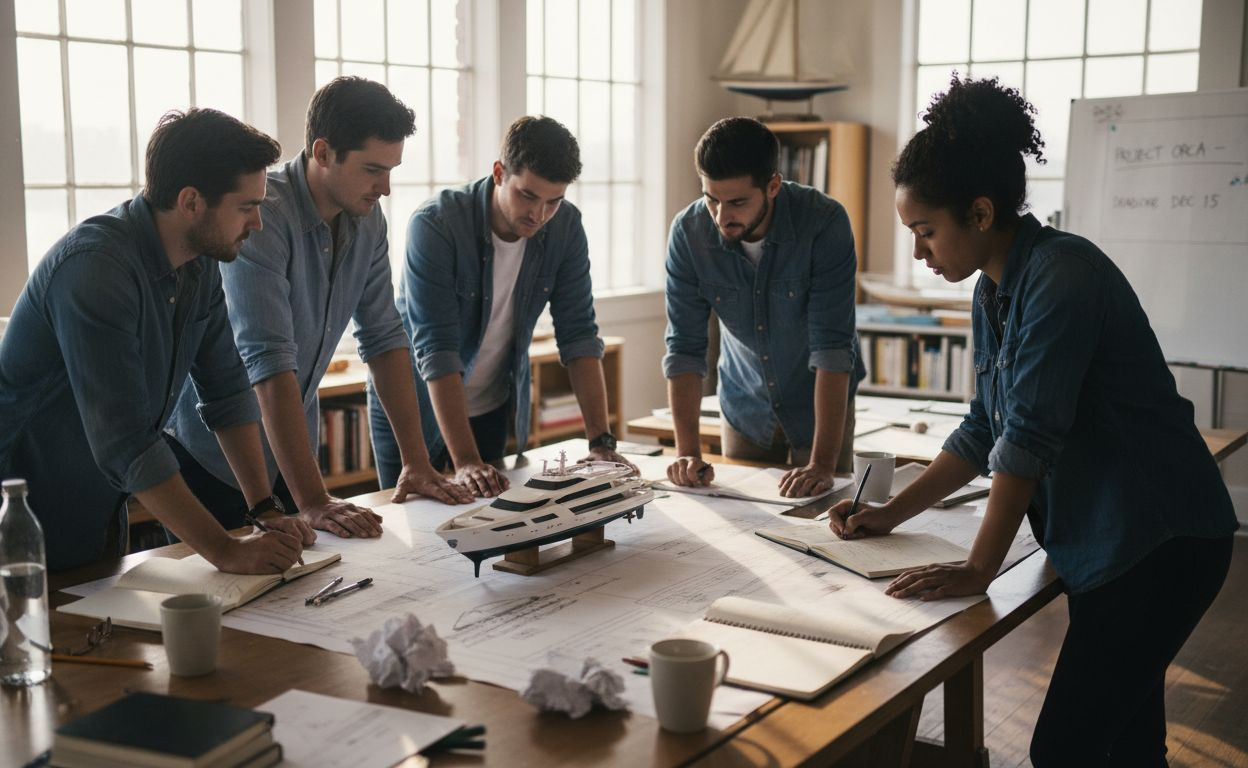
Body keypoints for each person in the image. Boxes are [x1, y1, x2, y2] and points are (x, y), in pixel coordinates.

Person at [825, 74, 1237, 766]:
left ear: (981, 213)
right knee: (1128, 747)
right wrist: (890, 513)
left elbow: (1027, 439)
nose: (919, 252)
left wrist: (979, 567)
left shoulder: (1061, 277)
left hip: (1159, 541)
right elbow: (983, 427)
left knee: (1064, 750)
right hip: (1114, 543)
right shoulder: (993, 288)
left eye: (925, 231)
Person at [0, 109, 315, 597]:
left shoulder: (200, 266)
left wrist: (263, 509)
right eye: (246, 207)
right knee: (25, 646)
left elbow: (227, 392)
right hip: (2, 510)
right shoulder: (95, 268)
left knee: (103, 643)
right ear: (191, 202)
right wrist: (225, 549)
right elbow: (126, 441)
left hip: (94, 506)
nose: (257, 223)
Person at [168, 77, 471, 537]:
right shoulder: (262, 215)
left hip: (292, 457)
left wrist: (416, 462)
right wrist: (312, 500)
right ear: (323, 152)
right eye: (373, 169)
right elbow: (267, 360)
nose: (386, 187)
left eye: (391, 170)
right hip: (212, 458)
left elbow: (385, 338)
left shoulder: (368, 219)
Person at [369, 115, 632, 498]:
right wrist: (465, 461)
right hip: (414, 409)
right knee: (415, 525)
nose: (539, 215)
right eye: (527, 196)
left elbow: (579, 334)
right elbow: (437, 350)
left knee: (488, 522)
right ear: (499, 173)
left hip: (491, 406)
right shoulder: (436, 224)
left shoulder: (565, 227)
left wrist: (602, 443)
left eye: (553, 201)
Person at [662, 117, 864, 498]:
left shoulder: (824, 223)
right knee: (741, 517)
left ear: (773, 186)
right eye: (711, 199)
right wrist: (687, 453)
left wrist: (822, 465)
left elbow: (833, 350)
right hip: (744, 405)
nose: (721, 217)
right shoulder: (688, 234)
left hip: (820, 408)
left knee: (824, 512)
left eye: (737, 202)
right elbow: (684, 349)